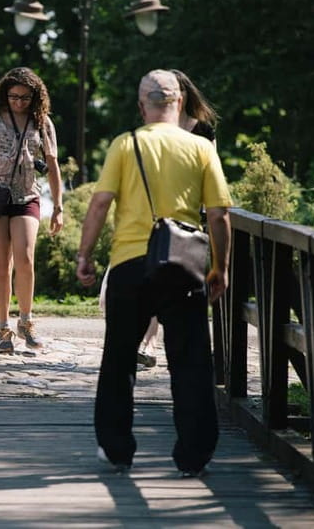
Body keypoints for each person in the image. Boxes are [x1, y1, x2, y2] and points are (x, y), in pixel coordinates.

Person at [75, 69, 232, 476]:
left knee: (119, 358)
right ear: (179, 103)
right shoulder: (201, 148)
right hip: (183, 266)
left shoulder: (125, 145)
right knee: (191, 361)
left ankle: (116, 448)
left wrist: (85, 255)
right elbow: (219, 215)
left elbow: (99, 204)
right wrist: (219, 267)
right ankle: (194, 454)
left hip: (130, 264)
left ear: (143, 105)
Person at [100, 70, 221, 370]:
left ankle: (149, 345)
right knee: (157, 280)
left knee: (159, 281)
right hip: (151, 224)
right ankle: (149, 344)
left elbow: (212, 191)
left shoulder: (203, 132)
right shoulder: (146, 133)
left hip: (184, 225)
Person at [0, 67, 63, 354]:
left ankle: (26, 320)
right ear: (4, 93)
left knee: (24, 257)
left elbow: (52, 164)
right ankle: (2, 326)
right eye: (13, 96)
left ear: (35, 97)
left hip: (26, 195)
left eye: (25, 97)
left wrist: (59, 207)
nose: (19, 102)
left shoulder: (42, 122)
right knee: (2, 264)